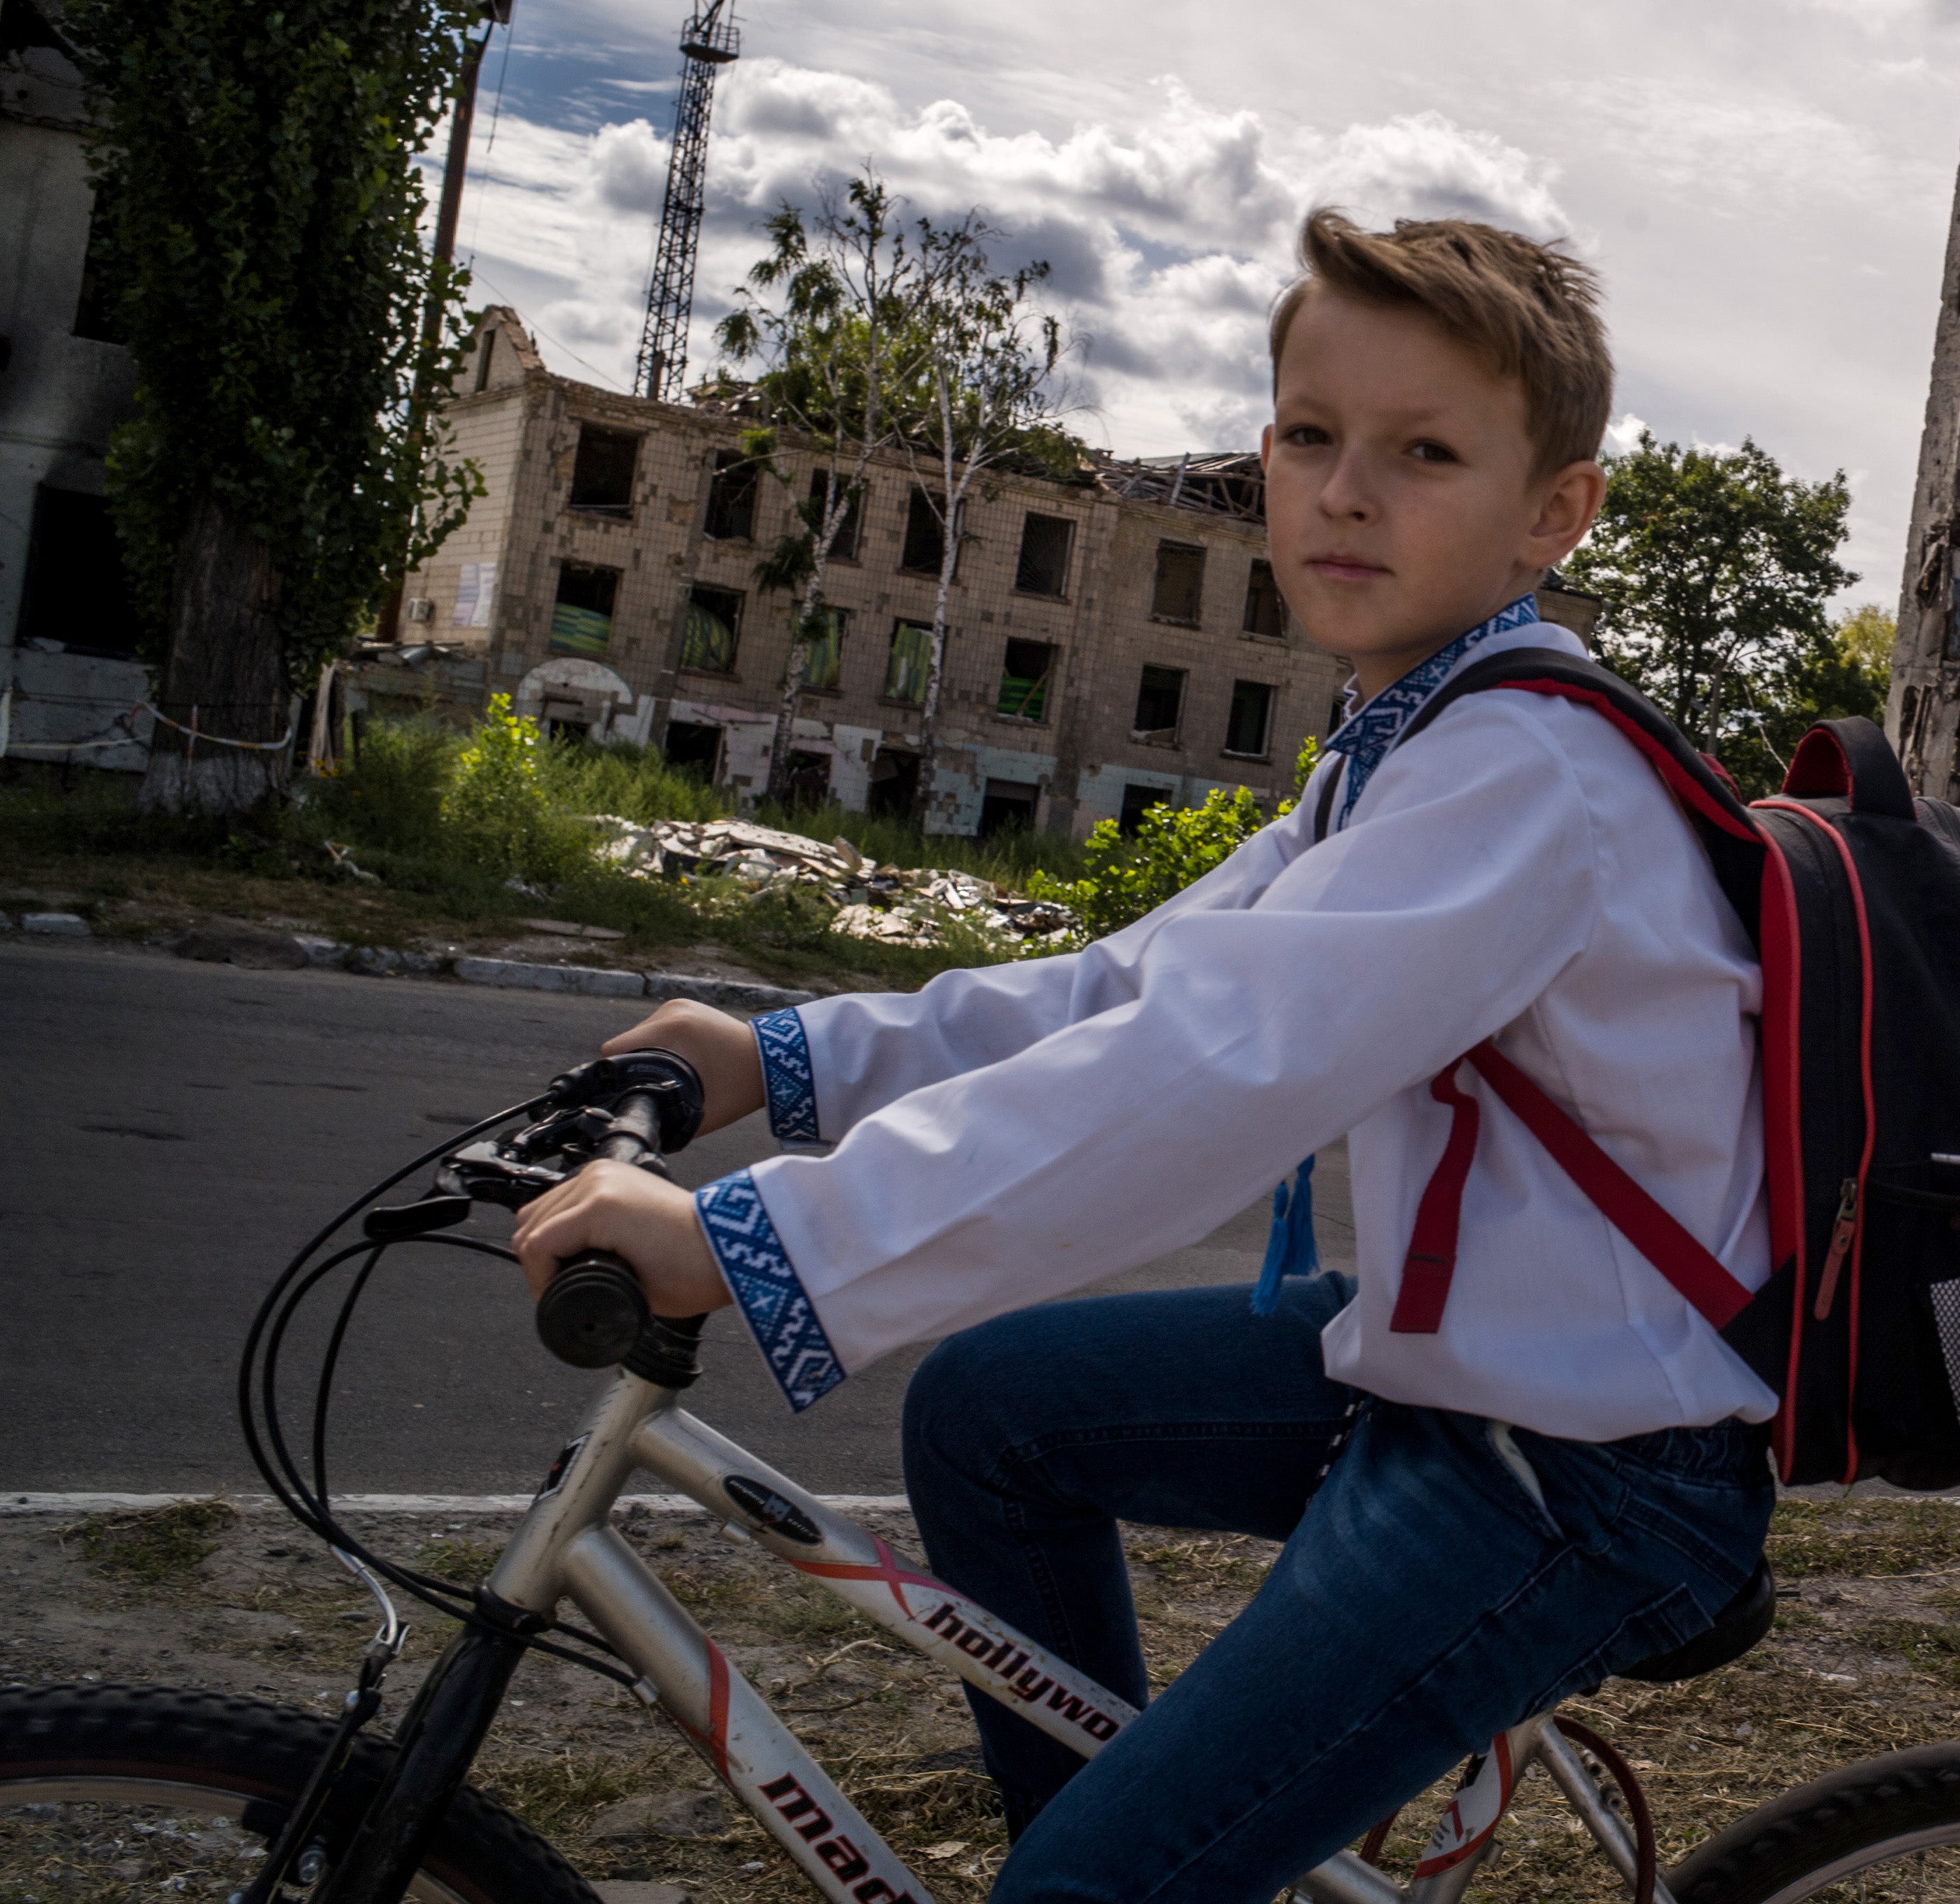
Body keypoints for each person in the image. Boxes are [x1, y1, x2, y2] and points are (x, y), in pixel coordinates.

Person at [516, 209, 1776, 1904]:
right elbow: (1132, 985)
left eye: (1424, 452)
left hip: (1577, 1469)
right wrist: (779, 1059)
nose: (1345, 491)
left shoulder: (1524, 778)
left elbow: (1209, 1072)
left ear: (1556, 511)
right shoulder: (1411, 740)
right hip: (1454, 1370)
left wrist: (759, 1238)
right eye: (1311, 436)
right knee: (988, 1415)